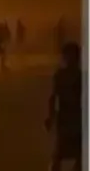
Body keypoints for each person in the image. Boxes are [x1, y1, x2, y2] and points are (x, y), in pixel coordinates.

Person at [45, 42, 82, 171]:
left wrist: (51, 116)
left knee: (71, 155)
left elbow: (53, 98)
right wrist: (50, 116)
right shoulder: (62, 75)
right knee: (61, 154)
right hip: (68, 120)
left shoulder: (79, 75)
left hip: (75, 121)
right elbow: (54, 97)